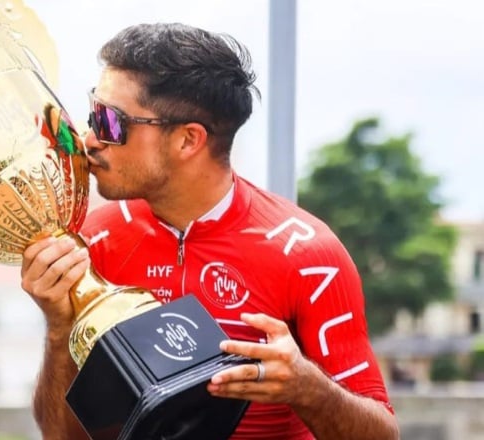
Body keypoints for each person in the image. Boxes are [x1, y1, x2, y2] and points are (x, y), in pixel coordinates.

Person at [20, 22, 400, 440]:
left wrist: (307, 389)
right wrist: (59, 333)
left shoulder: (308, 255)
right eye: (93, 112)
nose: (90, 139)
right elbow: (63, 436)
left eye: (111, 122)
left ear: (188, 140)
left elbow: (382, 434)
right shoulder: (93, 241)